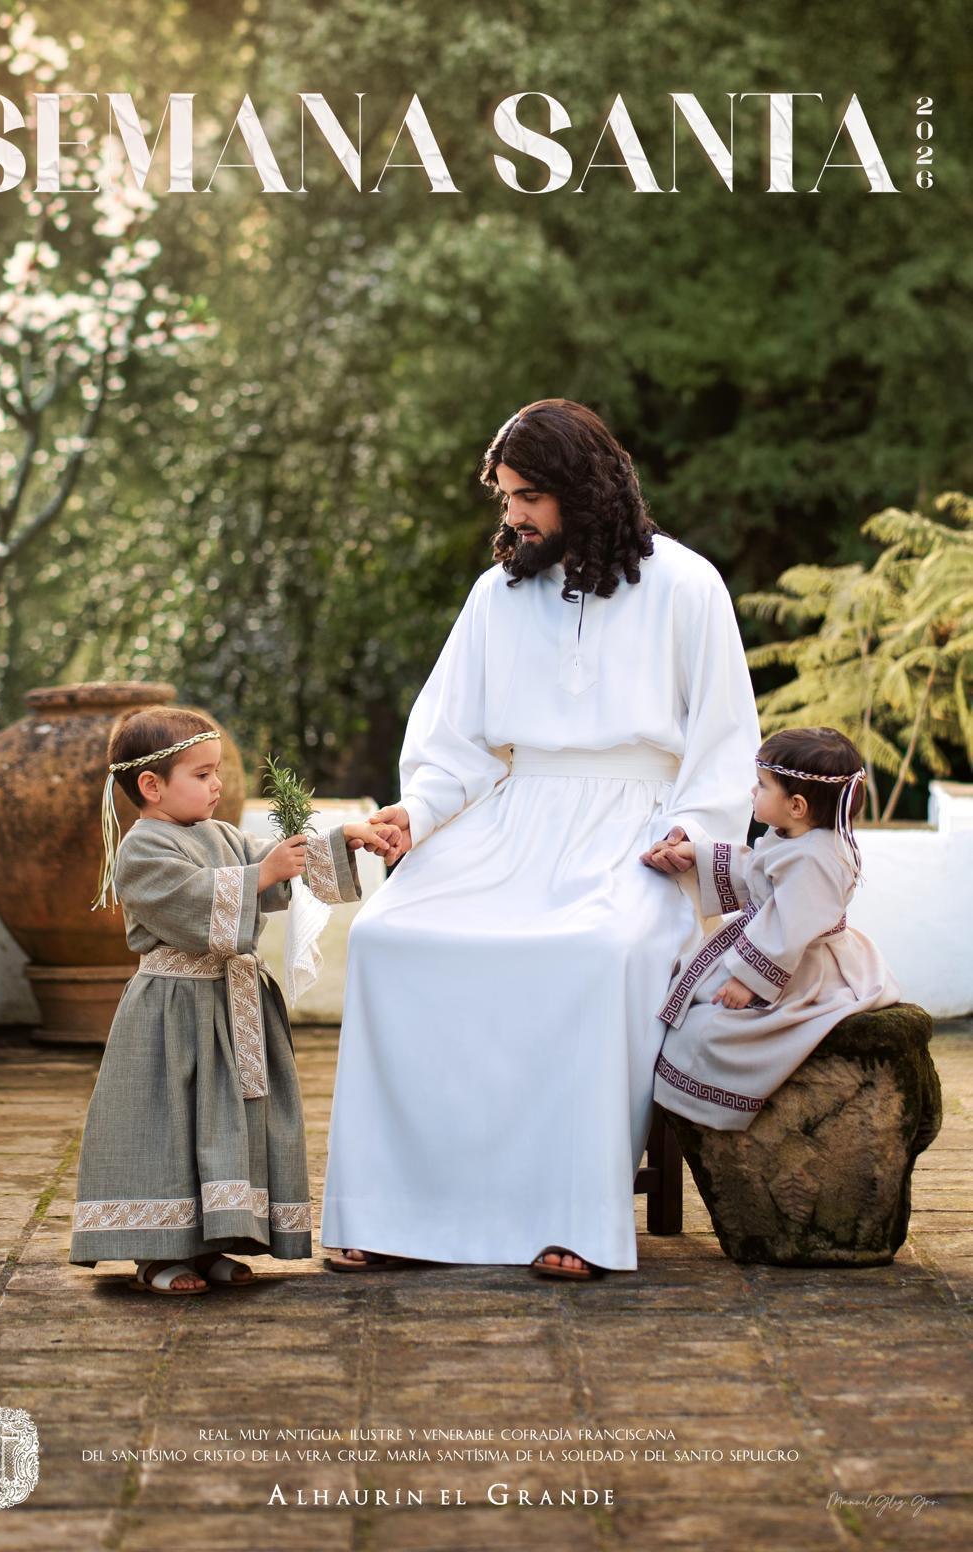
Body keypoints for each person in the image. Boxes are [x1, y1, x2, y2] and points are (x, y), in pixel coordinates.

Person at [321, 398, 761, 1279]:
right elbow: (455, 747)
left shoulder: (686, 584)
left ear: (584, 489)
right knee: (388, 936)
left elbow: (723, 742)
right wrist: (421, 812)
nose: (513, 516)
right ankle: (396, 1212)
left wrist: (690, 835)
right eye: (505, 498)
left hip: (637, 830)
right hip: (513, 822)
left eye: (529, 497)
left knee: (598, 953)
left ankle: (573, 1217)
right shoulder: (497, 595)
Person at [69, 706, 399, 1295]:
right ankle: (158, 1254)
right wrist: (259, 874)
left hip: (231, 1005)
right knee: (170, 1126)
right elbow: (196, 905)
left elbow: (279, 865)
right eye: (201, 774)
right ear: (151, 785)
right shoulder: (141, 850)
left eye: (216, 771)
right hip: (173, 1014)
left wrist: (339, 840)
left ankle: (219, 1241)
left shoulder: (221, 835)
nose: (217, 784)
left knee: (229, 1124)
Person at [646, 726, 900, 1130]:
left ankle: (709, 1109)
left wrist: (749, 982)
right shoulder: (791, 837)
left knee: (710, 1031)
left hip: (799, 968)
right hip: (774, 949)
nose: (752, 792)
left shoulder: (816, 859)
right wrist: (697, 853)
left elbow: (789, 927)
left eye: (762, 786)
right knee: (695, 1003)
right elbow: (756, 871)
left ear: (796, 805)